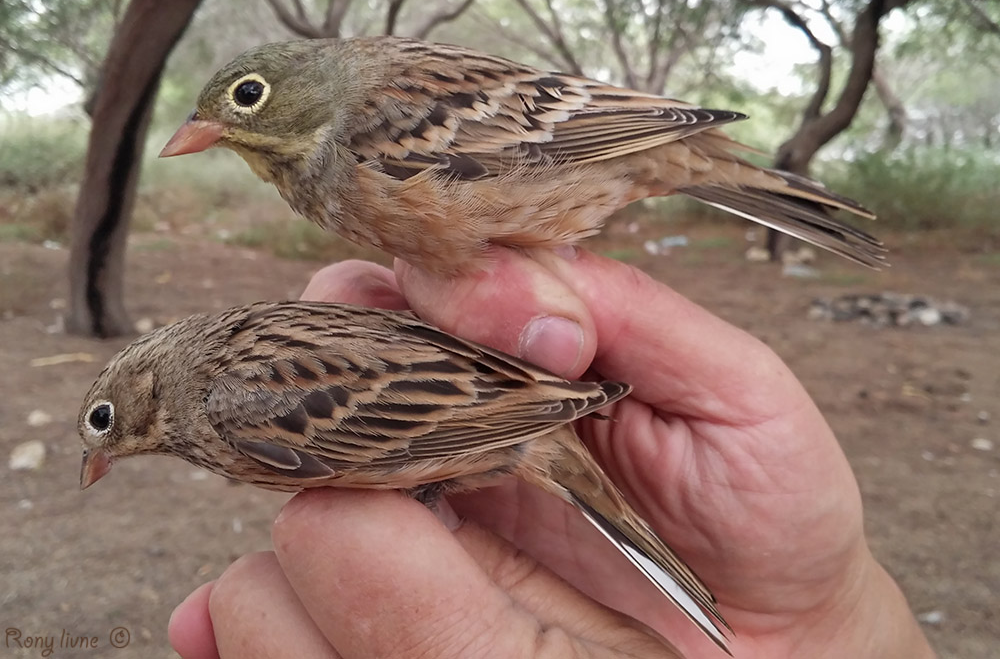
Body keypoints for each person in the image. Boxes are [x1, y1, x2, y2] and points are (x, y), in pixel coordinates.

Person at [168, 247, 935, 658]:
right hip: (513, 407)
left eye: (107, 425)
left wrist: (830, 625)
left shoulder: (237, 409)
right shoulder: (240, 372)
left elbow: (410, 418)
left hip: (509, 428)